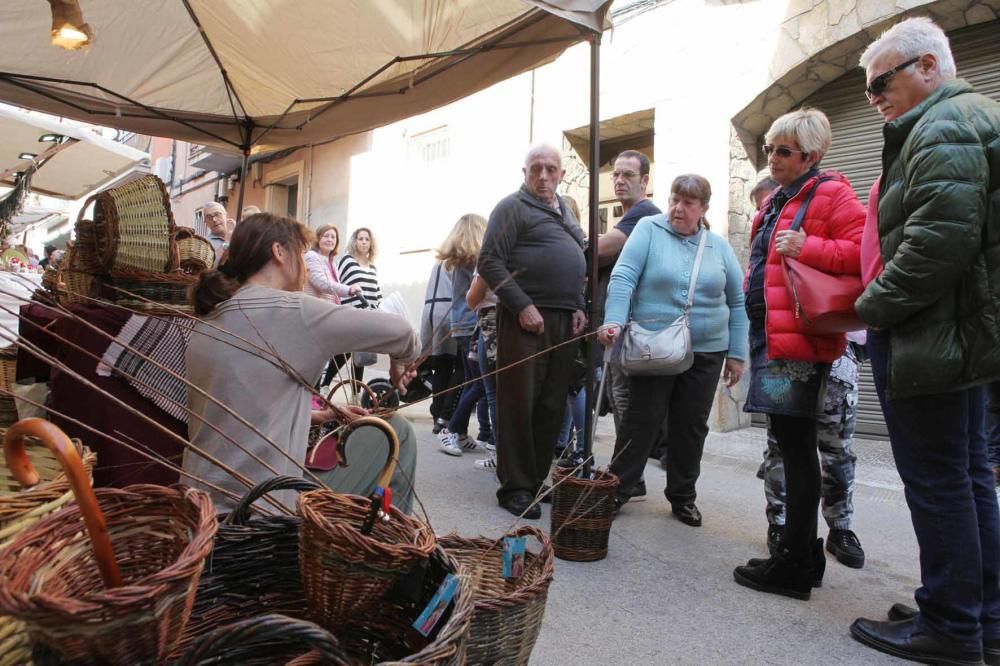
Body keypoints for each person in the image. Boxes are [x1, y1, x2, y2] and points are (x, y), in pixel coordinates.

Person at [847, 17, 1000, 665]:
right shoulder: (970, 118)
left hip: (933, 335)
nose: (873, 98)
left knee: (940, 482)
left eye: (881, 82)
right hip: (961, 334)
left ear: (929, 67)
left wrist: (868, 309)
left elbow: (937, 245)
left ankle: (950, 625)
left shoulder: (942, 126)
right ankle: (978, 615)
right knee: (966, 478)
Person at [182, 212, 420, 513]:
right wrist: (403, 362)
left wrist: (318, 416)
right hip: (264, 510)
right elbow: (402, 332)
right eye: (301, 253)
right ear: (278, 252)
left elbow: (239, 408)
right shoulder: (295, 310)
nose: (306, 266)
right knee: (396, 430)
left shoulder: (209, 316)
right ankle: (386, 549)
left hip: (199, 504)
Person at [732, 107, 865, 601]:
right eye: (769, 148)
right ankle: (802, 556)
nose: (772, 157)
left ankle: (792, 563)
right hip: (776, 341)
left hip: (800, 346)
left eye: (782, 150)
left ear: (811, 155)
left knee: (795, 448)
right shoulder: (780, 199)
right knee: (790, 445)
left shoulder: (829, 192)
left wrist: (808, 245)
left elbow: (861, 252)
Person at [599, 174, 748, 523]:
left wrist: (737, 354)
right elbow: (623, 277)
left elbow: (737, 302)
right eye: (674, 200)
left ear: (704, 208)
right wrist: (614, 320)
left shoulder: (719, 246)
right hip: (655, 345)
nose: (678, 209)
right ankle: (619, 489)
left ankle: (682, 496)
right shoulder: (649, 229)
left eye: (688, 202)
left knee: (691, 425)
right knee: (641, 419)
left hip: (707, 350)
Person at [750, 180, 867, 569]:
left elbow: (861, 255)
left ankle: (839, 527)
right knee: (780, 443)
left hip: (831, 352)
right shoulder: (766, 219)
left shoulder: (830, 201)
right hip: (776, 351)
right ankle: (781, 526)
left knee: (834, 446)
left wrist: (807, 246)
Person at [478, 144, 587, 519]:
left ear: (561, 174)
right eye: (536, 168)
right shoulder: (512, 207)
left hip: (562, 318)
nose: (543, 176)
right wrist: (521, 305)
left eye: (551, 169)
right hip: (525, 316)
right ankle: (515, 487)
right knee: (518, 402)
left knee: (551, 405)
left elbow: (578, 262)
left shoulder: (566, 212)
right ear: (524, 171)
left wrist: (578, 305)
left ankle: (536, 480)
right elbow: (489, 260)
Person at [434, 214, 492, 456]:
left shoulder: (460, 260)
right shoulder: (475, 261)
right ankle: (451, 430)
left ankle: (461, 432)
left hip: (460, 325)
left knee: (472, 381)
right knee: (479, 383)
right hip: (472, 324)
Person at [304, 224, 359, 388]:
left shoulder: (331, 262)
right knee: (317, 356)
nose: (329, 239)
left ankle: (323, 386)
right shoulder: (311, 256)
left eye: (333, 237)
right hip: (315, 312)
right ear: (318, 238)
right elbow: (321, 283)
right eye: (325, 236)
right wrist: (349, 289)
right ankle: (316, 392)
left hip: (327, 313)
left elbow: (333, 291)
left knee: (346, 346)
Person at [338, 227, 383, 382]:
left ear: (371, 243)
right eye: (360, 239)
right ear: (354, 241)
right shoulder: (347, 261)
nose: (364, 242)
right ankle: (324, 385)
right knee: (346, 350)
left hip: (368, 314)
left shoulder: (372, 267)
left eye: (367, 239)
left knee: (361, 353)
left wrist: (378, 310)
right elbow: (339, 285)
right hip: (350, 312)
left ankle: (357, 391)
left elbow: (376, 292)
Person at [420, 259, 459, 434]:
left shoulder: (438, 261)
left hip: (431, 312)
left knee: (441, 368)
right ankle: (445, 416)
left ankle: (438, 417)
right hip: (448, 312)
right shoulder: (460, 258)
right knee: (459, 366)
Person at [202, 201, 229, 268]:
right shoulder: (204, 243)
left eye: (217, 214)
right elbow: (208, 268)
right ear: (205, 222)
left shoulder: (240, 234)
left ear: (226, 215)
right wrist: (227, 242)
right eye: (209, 217)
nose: (214, 219)